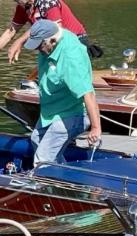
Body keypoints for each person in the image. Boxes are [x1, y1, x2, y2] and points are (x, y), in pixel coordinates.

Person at [23, 19, 102, 165]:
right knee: (36, 139)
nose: (37, 50)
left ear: (52, 41)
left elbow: (88, 93)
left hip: (73, 113)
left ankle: (44, 178)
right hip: (52, 111)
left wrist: (96, 128)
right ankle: (62, 173)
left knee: (43, 158)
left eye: (39, 46)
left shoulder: (71, 58)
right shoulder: (52, 39)